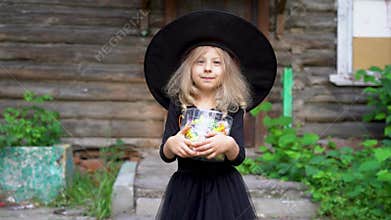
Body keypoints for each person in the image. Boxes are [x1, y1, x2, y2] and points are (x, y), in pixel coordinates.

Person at [144, 10, 277, 220]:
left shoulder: (232, 107)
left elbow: (238, 155)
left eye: (216, 63)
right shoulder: (179, 103)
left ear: (227, 71)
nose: (208, 68)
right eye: (199, 62)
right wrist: (172, 144)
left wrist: (228, 145)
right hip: (185, 188)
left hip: (223, 188)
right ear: (188, 68)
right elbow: (165, 153)